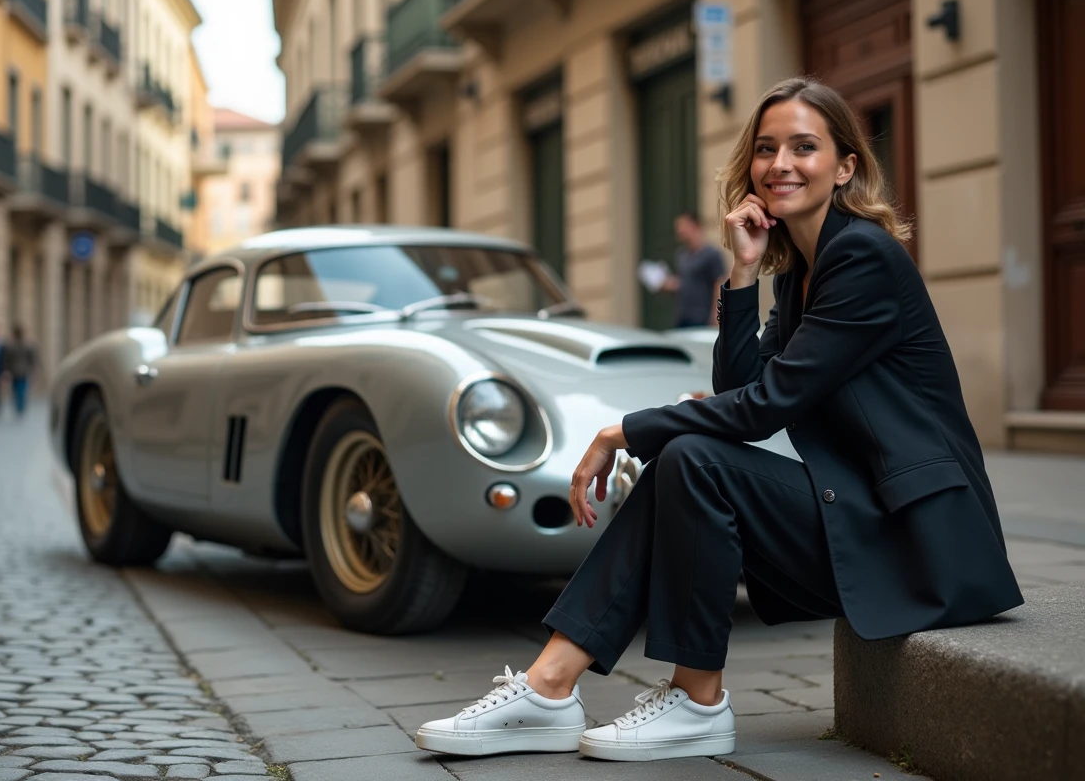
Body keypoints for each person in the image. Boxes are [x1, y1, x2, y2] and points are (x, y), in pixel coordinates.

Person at [414, 76, 1024, 762]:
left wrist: (623, 431)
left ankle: (671, 699)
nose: (780, 164)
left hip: (923, 542)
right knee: (690, 459)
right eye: (766, 148)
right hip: (868, 517)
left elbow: (762, 408)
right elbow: (740, 389)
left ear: (845, 167)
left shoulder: (863, 258)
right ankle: (553, 686)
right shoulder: (802, 271)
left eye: (804, 147)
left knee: (694, 459)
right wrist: (743, 271)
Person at [660, 213, 728, 328]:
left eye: (683, 226)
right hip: (683, 315)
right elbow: (684, 281)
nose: (679, 230)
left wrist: (717, 314)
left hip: (702, 316)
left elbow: (719, 284)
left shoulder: (712, 254)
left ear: (696, 226)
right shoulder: (681, 255)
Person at [4, 324, 39, 417]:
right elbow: (7, 360)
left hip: (19, 372)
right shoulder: (15, 345)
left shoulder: (16, 345)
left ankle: (19, 407)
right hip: (20, 372)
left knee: (19, 390)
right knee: (20, 390)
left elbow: (32, 359)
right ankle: (20, 406)